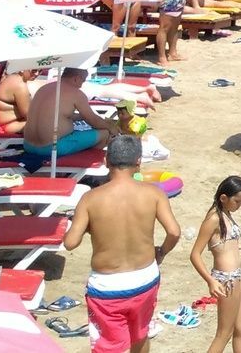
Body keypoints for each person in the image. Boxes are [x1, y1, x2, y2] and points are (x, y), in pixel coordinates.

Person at [61, 135, 182, 353]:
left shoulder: (91, 199)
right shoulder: (154, 193)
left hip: (108, 287)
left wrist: (88, 225)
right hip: (145, 278)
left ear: (107, 161)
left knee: (108, 347)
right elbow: (174, 231)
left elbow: (70, 243)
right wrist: (161, 253)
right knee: (141, 334)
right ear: (138, 162)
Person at [190, 176, 241, 353]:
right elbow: (195, 254)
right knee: (224, 333)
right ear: (223, 198)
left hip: (235, 278)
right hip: (226, 280)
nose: (240, 205)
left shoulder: (226, 213)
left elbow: (224, 246)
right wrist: (210, 281)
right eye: (238, 201)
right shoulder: (213, 219)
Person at [19, 65, 120, 169]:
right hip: (52, 147)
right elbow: (94, 121)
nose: (81, 85)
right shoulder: (76, 93)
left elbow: (58, 114)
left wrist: (80, 117)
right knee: (105, 133)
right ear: (76, 78)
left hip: (28, 145)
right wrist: (111, 127)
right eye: (83, 81)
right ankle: (83, 167)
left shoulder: (44, 88)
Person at [0, 67, 35, 136]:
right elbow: (29, 115)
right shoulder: (20, 85)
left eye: (40, 71)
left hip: (7, 124)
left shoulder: (11, 78)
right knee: (48, 124)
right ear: (22, 69)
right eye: (34, 70)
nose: (37, 74)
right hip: (12, 126)